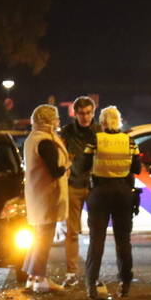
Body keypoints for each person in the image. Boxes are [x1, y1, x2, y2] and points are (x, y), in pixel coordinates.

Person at [82, 105, 139, 300]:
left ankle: (91, 285)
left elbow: (82, 165)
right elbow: (137, 168)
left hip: (99, 193)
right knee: (123, 240)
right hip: (123, 193)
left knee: (96, 240)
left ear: (103, 122)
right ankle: (125, 283)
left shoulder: (96, 140)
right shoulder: (129, 141)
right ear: (119, 121)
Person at [22, 104, 69, 293]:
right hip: (47, 196)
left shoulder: (32, 138)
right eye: (56, 119)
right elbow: (55, 170)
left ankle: (32, 276)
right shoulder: (45, 142)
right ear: (49, 122)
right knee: (44, 239)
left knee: (37, 238)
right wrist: (67, 165)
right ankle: (40, 279)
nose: (58, 122)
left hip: (36, 195)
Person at [59, 96, 98, 286]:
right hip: (73, 185)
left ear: (93, 112)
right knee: (72, 232)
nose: (85, 117)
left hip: (93, 186)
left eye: (88, 113)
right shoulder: (67, 132)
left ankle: (93, 272)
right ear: (75, 113)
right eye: (82, 113)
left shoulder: (99, 131)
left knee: (95, 232)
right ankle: (72, 272)